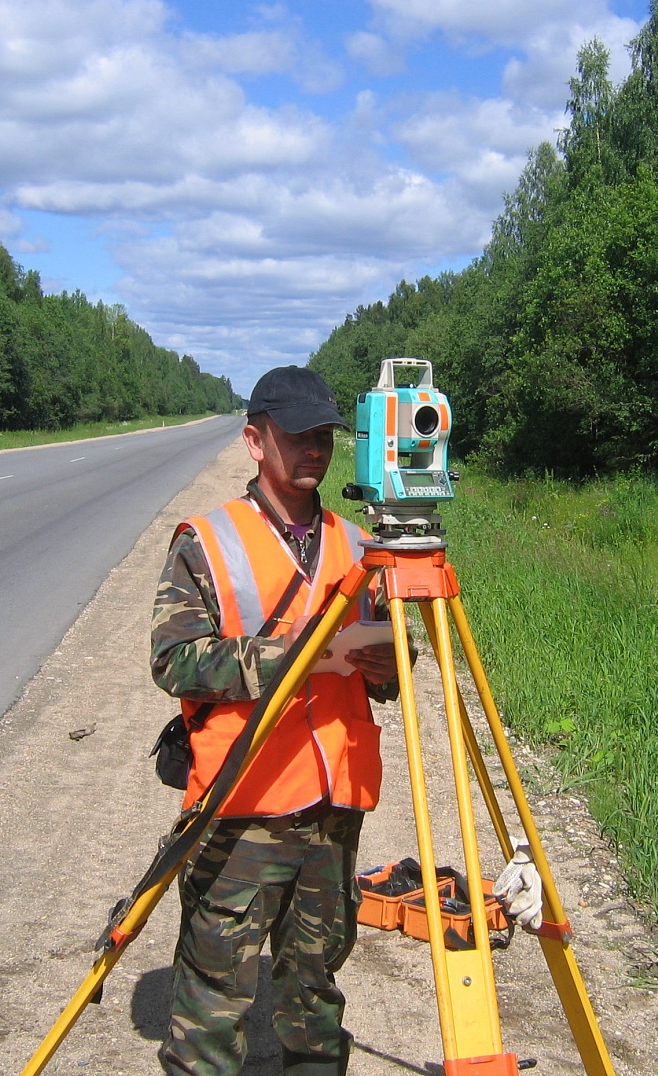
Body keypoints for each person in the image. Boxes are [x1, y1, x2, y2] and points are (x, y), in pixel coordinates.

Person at [150, 365, 398, 1076]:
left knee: (314, 998)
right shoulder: (208, 539)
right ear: (255, 440)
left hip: (332, 810)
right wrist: (300, 659)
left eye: (323, 434)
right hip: (244, 808)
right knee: (214, 1001)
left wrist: (385, 667)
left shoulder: (357, 545)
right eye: (297, 435)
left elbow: (378, 664)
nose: (314, 448)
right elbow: (174, 660)